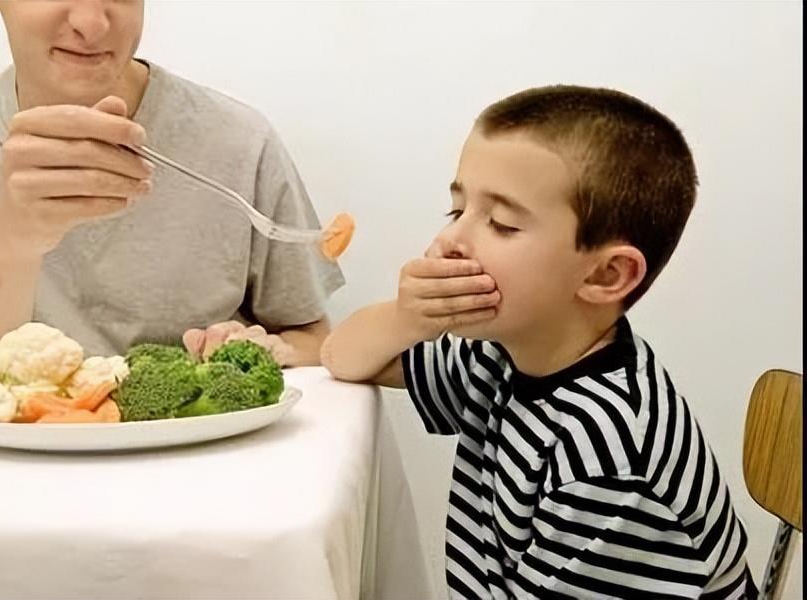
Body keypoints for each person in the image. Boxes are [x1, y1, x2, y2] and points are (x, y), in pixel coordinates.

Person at [321, 86, 757, 599]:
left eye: (502, 224)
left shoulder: (608, 464)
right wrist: (406, 319)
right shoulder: (500, 356)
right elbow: (344, 358)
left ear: (606, 274)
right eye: (456, 211)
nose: (449, 242)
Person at [0, 0, 343, 375]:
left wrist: (257, 352)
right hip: (9, 456)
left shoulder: (240, 140)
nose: (92, 22)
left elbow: (313, 339)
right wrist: (12, 233)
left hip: (206, 451)